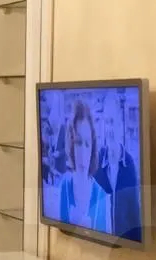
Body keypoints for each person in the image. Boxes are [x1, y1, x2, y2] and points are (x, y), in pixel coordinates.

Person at [92, 90, 144, 242]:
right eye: (107, 122)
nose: (109, 129)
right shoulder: (97, 161)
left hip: (123, 246)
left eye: (113, 122)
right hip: (98, 240)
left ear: (120, 125)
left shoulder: (129, 164)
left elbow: (134, 217)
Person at [59, 101, 111, 233]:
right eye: (78, 143)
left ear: (93, 148)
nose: (83, 153)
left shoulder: (102, 197)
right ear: (71, 145)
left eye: (87, 144)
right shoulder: (64, 187)